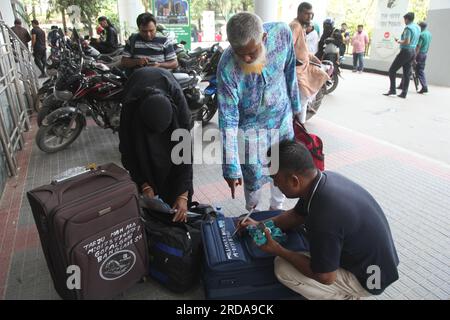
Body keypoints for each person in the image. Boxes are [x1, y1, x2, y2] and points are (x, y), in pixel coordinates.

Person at [237, 140, 400, 300]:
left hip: (371, 280)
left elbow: (325, 277)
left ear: (294, 180)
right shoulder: (323, 181)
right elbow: (295, 215)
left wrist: (278, 250)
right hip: (380, 264)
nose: (275, 184)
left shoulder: (324, 215)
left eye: (276, 180)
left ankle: (347, 296)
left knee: (282, 267)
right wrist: (260, 225)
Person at [217, 12, 301, 212]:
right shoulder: (227, 67)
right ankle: (252, 213)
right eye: (239, 52)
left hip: (282, 120)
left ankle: (277, 208)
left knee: (283, 168)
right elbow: (227, 117)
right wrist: (231, 167)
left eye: (251, 52)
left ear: (263, 38)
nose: (245, 58)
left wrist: (296, 108)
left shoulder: (282, 33)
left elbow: (290, 70)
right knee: (253, 175)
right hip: (251, 131)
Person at [119, 67, 193, 223]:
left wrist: (183, 195)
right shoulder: (130, 110)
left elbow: (185, 155)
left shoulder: (181, 114)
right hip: (140, 104)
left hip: (167, 97)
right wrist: (144, 184)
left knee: (179, 200)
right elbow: (128, 152)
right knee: (151, 208)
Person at [290, 2, 329, 124]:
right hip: (298, 69)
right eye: (307, 14)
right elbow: (288, 47)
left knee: (323, 75)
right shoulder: (295, 26)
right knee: (303, 98)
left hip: (304, 66)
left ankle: (300, 122)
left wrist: (313, 58)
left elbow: (302, 49)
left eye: (311, 14)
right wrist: (296, 61)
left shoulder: (301, 27)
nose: (310, 17)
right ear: (300, 12)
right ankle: (299, 125)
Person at [383, 12, 421, 98]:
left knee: (392, 70)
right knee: (406, 73)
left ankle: (392, 91)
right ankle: (404, 93)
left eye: (404, 19)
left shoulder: (408, 28)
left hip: (406, 51)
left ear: (407, 19)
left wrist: (399, 41)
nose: (404, 21)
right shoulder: (417, 27)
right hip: (413, 52)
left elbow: (407, 41)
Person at [416, 21, 432, 94]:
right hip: (424, 54)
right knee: (419, 69)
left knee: (418, 70)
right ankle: (402, 84)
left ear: (420, 27)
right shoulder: (429, 34)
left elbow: (418, 46)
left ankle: (424, 87)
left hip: (419, 54)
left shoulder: (421, 34)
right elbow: (428, 45)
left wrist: (414, 56)